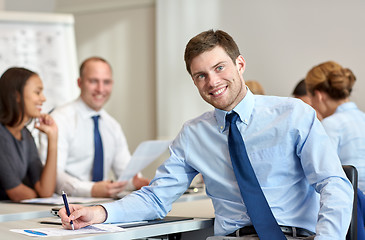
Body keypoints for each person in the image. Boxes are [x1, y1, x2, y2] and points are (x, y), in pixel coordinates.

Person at [59, 30, 353, 239]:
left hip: (295, 236)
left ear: (240, 64)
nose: (212, 82)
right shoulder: (193, 134)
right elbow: (155, 198)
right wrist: (99, 212)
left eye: (219, 67)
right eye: (200, 75)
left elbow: (333, 183)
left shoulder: (293, 114)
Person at [42, 57, 149, 198]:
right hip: (66, 205)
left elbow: (125, 171)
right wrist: (91, 190)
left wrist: (135, 182)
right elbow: (53, 175)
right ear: (79, 83)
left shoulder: (112, 125)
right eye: (93, 81)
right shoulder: (59, 120)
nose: (100, 89)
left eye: (106, 82)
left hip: (102, 205)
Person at [305, 60, 365, 239]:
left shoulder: (330, 125)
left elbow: (322, 172)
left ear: (319, 95)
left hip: (356, 210)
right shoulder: (363, 118)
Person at [0, 67, 58, 202]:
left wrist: (53, 138)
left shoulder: (26, 135)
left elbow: (45, 190)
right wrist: (36, 195)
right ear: (16, 95)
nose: (43, 99)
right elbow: (17, 193)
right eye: (37, 92)